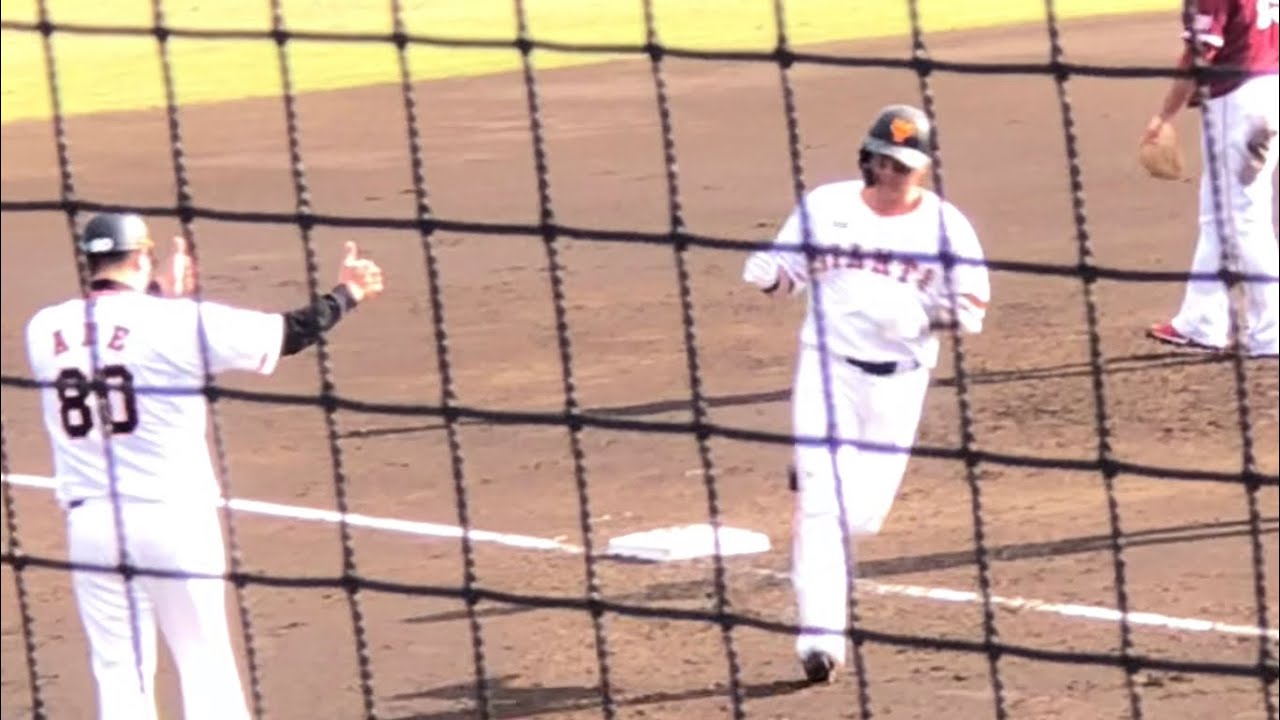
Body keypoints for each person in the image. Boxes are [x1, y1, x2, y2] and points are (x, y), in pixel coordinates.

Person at [24, 212, 385, 720]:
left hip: (92, 529)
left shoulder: (44, 329)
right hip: (172, 521)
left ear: (89, 261)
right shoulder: (181, 323)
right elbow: (287, 333)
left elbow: (110, 335)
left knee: (119, 674)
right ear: (142, 256)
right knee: (204, 666)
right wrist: (348, 293)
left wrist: (159, 294)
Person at [741, 104, 990, 684]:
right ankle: (821, 639)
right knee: (820, 506)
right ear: (869, 160)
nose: (893, 173)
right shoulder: (826, 207)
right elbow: (790, 273)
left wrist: (919, 318)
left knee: (862, 515)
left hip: (901, 381)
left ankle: (817, 494)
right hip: (827, 370)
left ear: (923, 168)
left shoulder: (947, 228)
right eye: (885, 162)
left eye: (905, 164)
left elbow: (971, 309)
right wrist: (770, 278)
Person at [1142, 0, 1279, 357]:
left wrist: (1164, 116)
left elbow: (1199, 54)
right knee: (1219, 215)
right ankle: (1201, 322)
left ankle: (1273, 331)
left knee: (1243, 218)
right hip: (1268, 90)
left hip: (1239, 102)